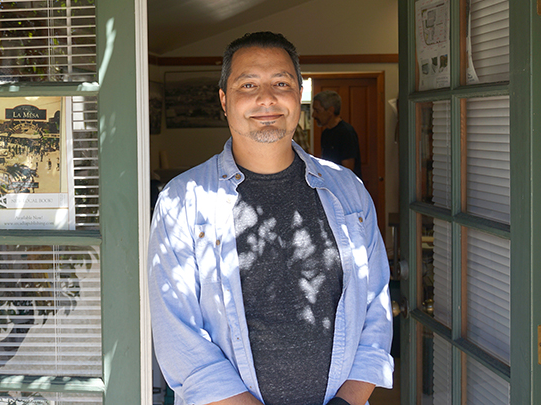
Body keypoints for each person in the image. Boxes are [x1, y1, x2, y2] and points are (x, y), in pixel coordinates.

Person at [148, 31, 393, 405]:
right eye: (248, 84)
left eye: (281, 83)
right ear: (225, 101)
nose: (267, 98)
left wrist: (347, 401)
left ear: (298, 96)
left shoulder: (348, 190)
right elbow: (178, 337)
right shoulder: (182, 200)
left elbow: (375, 305)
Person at [312, 91, 362, 178]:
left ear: (331, 110)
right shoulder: (326, 133)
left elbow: (348, 170)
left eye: (317, 111)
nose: (314, 115)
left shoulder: (346, 132)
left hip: (344, 187)